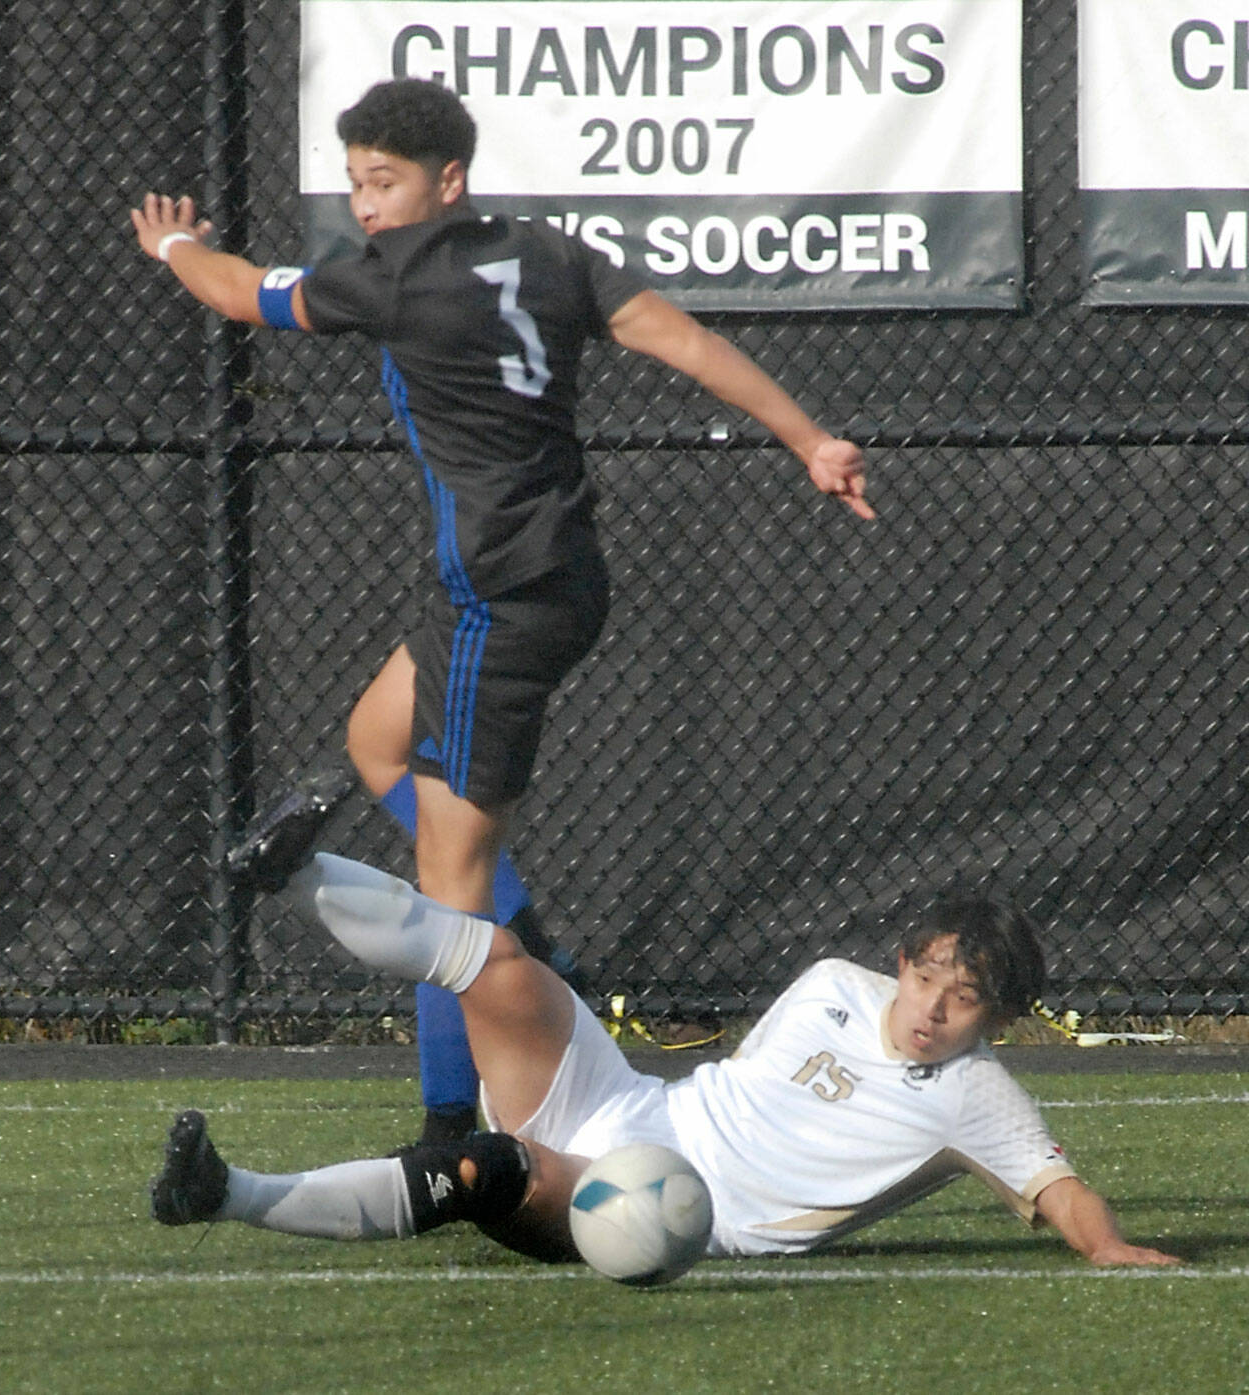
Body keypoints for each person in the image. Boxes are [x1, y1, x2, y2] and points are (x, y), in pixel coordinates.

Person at [131, 79, 873, 1144]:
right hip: (536, 583)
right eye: (354, 183)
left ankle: (449, 1133)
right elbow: (684, 342)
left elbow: (242, 292)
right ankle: (540, 955)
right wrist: (807, 439)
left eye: (384, 180)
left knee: (445, 894)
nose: (367, 204)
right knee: (375, 744)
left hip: (497, 603)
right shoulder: (551, 252)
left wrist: (173, 248)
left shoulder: (393, 280)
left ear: (449, 179)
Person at [150, 856, 1179, 1269]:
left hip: (674, 1209)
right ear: (901, 963)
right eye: (929, 984)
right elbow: (738, 1092)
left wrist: (1107, 1249)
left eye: (967, 1006)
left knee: (491, 1169)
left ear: (993, 1020)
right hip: (637, 1107)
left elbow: (1059, 1190)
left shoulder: (976, 1096)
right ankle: (288, 875)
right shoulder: (828, 982)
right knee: (501, 966)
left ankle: (225, 1193)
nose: (935, 1014)